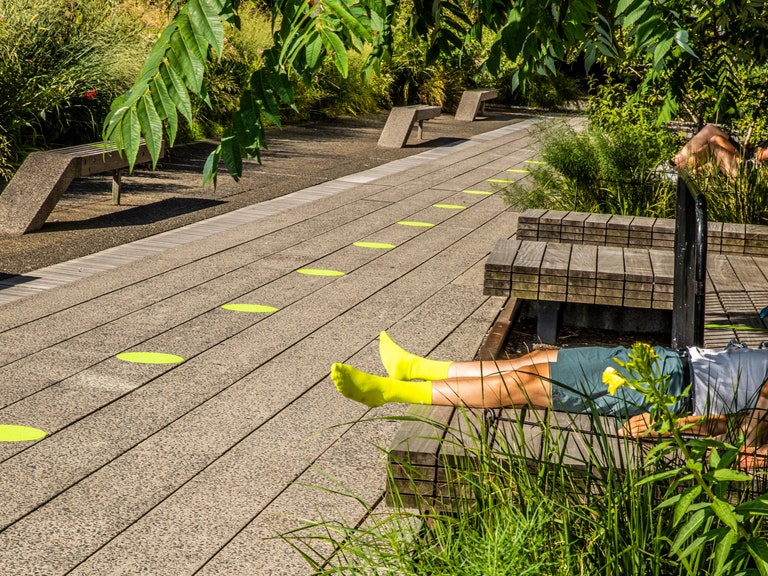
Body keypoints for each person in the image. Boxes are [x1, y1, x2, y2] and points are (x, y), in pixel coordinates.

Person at [331, 332, 768, 459]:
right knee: (541, 359)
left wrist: (677, 425)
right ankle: (416, 368)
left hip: (672, 388)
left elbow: (754, 430)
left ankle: (390, 392)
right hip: (673, 365)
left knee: (530, 385)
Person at [673, 124, 768, 178]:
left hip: (748, 168)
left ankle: (681, 167)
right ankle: (677, 161)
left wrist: (759, 152)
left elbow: (760, 156)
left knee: (714, 147)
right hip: (747, 156)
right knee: (710, 130)